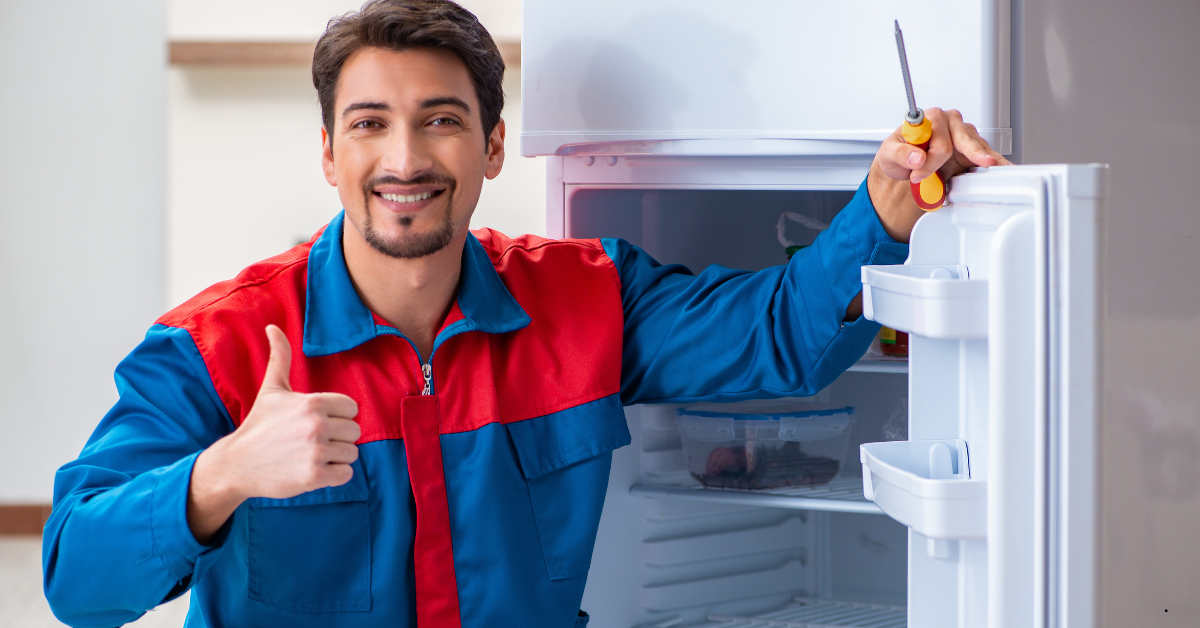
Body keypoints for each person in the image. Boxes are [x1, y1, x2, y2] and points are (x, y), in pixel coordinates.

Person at [41, 1, 1010, 627]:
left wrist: (881, 212)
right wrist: (224, 473)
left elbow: (777, 336)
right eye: (370, 123)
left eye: (441, 119)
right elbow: (74, 576)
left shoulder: (584, 298)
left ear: (493, 147)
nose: (406, 157)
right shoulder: (217, 346)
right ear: (329, 154)